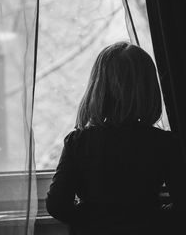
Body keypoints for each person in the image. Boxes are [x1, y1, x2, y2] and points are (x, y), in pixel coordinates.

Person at [46, 41, 186, 235]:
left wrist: (93, 219)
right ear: (148, 89)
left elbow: (57, 205)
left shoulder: (78, 143)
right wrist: (150, 218)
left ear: (97, 89)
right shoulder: (164, 143)